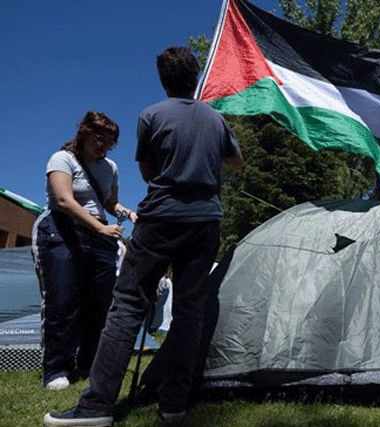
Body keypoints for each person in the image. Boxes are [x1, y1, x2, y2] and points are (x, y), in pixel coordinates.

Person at [43, 47, 243, 426]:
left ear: (164, 80)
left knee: (129, 305)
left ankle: (97, 405)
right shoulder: (216, 120)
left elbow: (150, 172)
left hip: (161, 219)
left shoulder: (150, 116)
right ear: (196, 76)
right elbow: (237, 161)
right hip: (205, 222)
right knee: (188, 311)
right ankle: (174, 405)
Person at [31, 111, 138, 390]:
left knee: (99, 305)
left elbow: (110, 203)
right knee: (63, 299)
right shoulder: (62, 159)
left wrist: (124, 210)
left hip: (99, 239)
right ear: (84, 133)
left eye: (110, 142)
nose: (103, 146)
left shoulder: (110, 167)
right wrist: (100, 228)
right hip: (62, 230)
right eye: (99, 138)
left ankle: (90, 364)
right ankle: (56, 369)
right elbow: (64, 200)